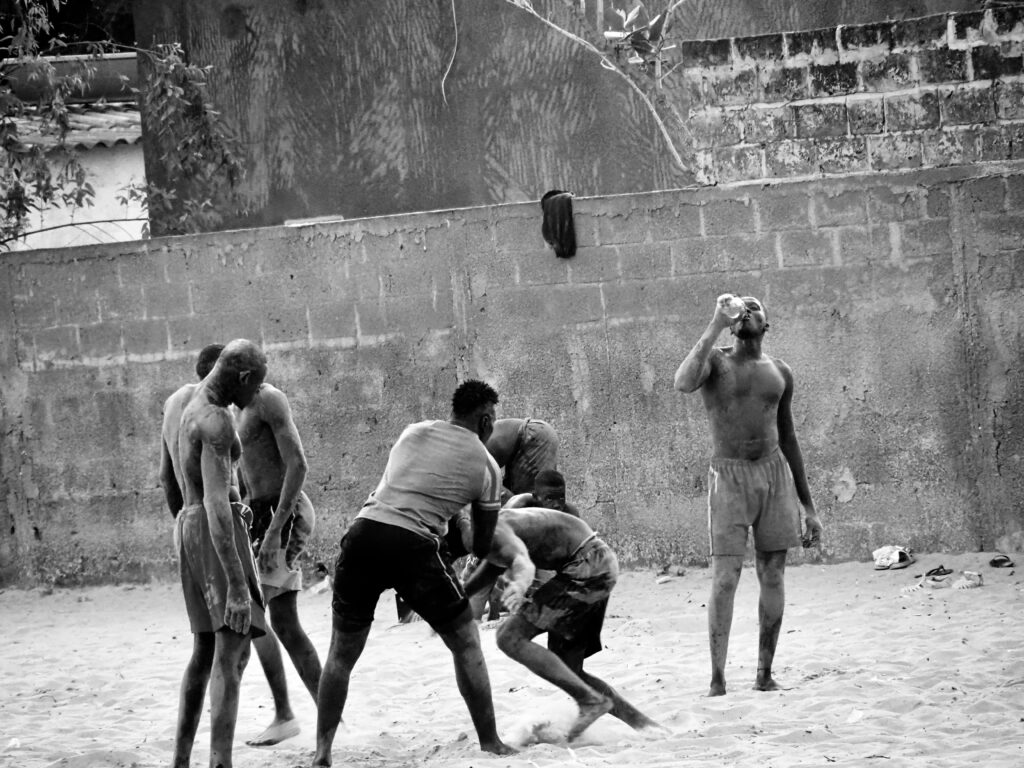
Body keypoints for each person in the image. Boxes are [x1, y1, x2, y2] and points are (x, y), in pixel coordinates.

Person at [313, 380, 516, 766]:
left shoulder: (413, 431)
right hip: (412, 546)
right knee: (466, 642)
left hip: (362, 534)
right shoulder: (487, 466)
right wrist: (463, 521)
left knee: (341, 653)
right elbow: (481, 545)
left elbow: (409, 484)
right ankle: (490, 743)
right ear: (486, 419)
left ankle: (322, 755)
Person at [673, 294, 823, 697]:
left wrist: (808, 506)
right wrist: (714, 323)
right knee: (726, 578)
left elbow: (789, 438)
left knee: (772, 573)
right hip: (729, 477)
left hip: (774, 475)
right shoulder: (716, 361)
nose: (746, 311)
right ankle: (717, 680)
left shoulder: (780, 371)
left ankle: (764, 673)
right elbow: (683, 382)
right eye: (742, 308)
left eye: (754, 307)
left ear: (767, 323)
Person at [457, 507, 664, 740]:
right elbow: (487, 572)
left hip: (587, 568)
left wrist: (520, 585)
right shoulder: (489, 530)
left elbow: (524, 565)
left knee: (509, 636)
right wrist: (453, 606)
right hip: (598, 565)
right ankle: (644, 725)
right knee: (569, 669)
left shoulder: (492, 529)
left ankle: (591, 700)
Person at [159, 339, 268, 768]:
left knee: (206, 649)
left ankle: (181, 760)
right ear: (242, 378)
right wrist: (238, 585)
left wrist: (189, 537)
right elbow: (217, 504)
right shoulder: (217, 420)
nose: (257, 394)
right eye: (256, 385)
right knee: (232, 648)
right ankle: (220, 762)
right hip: (210, 526)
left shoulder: (185, 404)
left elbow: (169, 480)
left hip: (189, 524)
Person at [236, 378, 322, 746]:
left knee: (267, 620)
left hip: (279, 514)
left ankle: (293, 714)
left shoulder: (268, 400)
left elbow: (297, 466)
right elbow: (246, 471)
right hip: (259, 514)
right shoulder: (234, 408)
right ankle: (313, 712)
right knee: (277, 623)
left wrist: (274, 530)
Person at [159, 343, 225, 518]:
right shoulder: (223, 406)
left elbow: (166, 476)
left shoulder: (172, 403)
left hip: (190, 518)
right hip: (223, 518)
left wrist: (182, 520)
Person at [485, 418, 559, 502]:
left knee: (529, 503)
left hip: (532, 436)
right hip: (535, 432)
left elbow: (489, 487)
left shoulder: (472, 457)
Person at [505, 469, 580, 517]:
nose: (557, 505)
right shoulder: (520, 511)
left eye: (561, 497)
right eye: (549, 499)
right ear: (535, 498)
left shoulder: (570, 514)